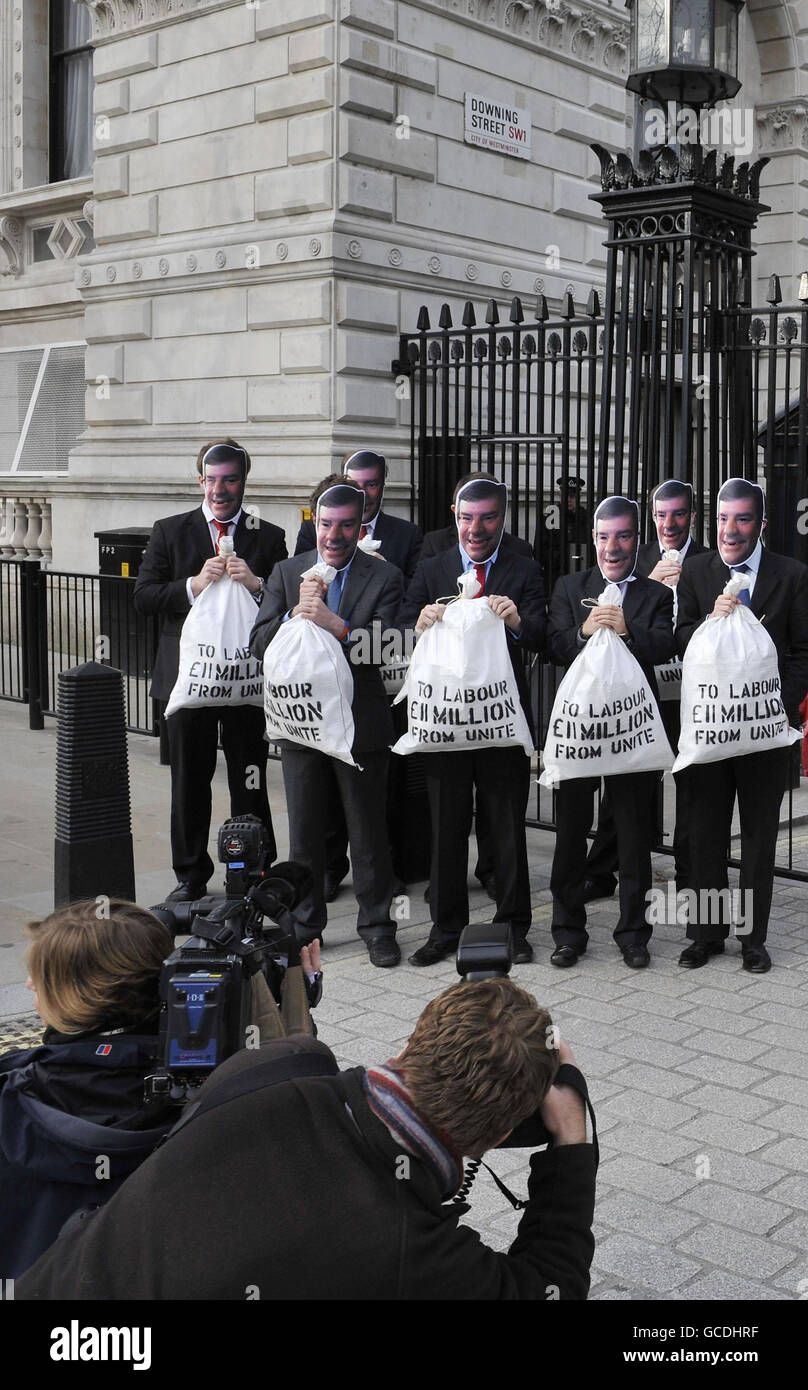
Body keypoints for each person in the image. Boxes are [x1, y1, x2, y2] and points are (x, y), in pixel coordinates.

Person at [17, 978, 597, 1301]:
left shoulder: (277, 1066)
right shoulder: (416, 1256)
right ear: (501, 1135)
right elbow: (553, 1289)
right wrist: (572, 1141)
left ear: (406, 1047)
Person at [250, 478, 404, 968]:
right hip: (301, 725)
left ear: (361, 527)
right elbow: (258, 644)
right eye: (326, 524)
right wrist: (294, 615)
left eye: (346, 525)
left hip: (361, 726)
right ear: (314, 522)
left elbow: (389, 647)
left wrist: (337, 626)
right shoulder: (286, 571)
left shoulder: (385, 576)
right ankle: (306, 926)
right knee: (305, 834)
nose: (334, 535)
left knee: (367, 832)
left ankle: (377, 927)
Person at [400, 476, 547, 965]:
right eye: (467, 518)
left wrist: (518, 622)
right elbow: (399, 624)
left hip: (501, 721)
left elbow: (543, 636)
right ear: (455, 515)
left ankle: (513, 928)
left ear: (503, 518)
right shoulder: (432, 567)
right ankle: (445, 929)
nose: (476, 529)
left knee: (506, 827)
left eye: (487, 518)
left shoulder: (523, 568)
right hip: (445, 722)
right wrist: (418, 623)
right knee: (446, 827)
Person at [134, 439, 287, 900]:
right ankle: (190, 877)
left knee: (250, 778)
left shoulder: (268, 536)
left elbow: (286, 604)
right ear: (200, 480)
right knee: (189, 781)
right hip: (188, 679)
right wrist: (193, 585)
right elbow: (144, 597)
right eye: (212, 479)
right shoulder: (170, 531)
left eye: (230, 479)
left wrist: (257, 585)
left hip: (247, 680)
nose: (220, 489)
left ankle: (252, 871)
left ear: (244, 481)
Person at [0, 901, 180, 1280]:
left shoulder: (13, 1098)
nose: (29, 984)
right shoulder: (211, 1076)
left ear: (75, 997)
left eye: (41, 976)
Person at [675, 477, 808, 973]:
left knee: (757, 839)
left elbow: (803, 652)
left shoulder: (791, 575)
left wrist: (774, 707)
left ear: (762, 524)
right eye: (723, 519)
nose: (730, 530)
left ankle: (753, 940)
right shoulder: (697, 571)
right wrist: (710, 619)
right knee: (704, 835)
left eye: (743, 519)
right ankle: (705, 936)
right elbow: (680, 637)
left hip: (764, 735)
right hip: (710, 729)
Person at [547, 495, 676, 969]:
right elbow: (554, 646)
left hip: (631, 732)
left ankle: (634, 935)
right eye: (604, 537)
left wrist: (627, 631)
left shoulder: (655, 594)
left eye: (622, 536)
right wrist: (583, 632)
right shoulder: (569, 586)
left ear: (637, 540)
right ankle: (568, 933)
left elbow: (664, 646)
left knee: (634, 836)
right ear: (593, 539)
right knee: (569, 833)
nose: (613, 547)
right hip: (581, 732)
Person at [583, 479, 709, 900]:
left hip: (692, 686)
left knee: (691, 780)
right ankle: (601, 869)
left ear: (693, 516)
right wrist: (650, 582)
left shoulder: (709, 561)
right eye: (661, 515)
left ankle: (690, 874)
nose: (669, 523)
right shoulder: (634, 556)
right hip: (641, 686)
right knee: (625, 779)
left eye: (679, 513)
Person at [295, 449, 422, 579]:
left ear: (383, 486)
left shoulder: (407, 534)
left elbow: (416, 587)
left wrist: (386, 573)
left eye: (371, 485)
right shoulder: (312, 530)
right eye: (354, 484)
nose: (363, 494)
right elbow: (295, 578)